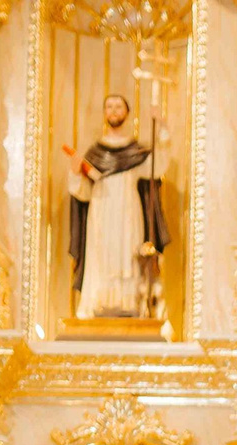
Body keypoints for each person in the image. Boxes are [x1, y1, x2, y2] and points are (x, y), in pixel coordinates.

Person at [66, 93, 169, 321]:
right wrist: (75, 174)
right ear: (104, 113)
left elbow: (159, 165)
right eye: (109, 106)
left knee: (127, 256)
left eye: (118, 106)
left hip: (128, 212)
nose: (113, 110)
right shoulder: (94, 153)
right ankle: (98, 305)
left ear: (127, 113)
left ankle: (129, 305)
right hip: (101, 212)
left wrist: (161, 126)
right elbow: (82, 193)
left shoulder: (136, 153)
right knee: (102, 256)